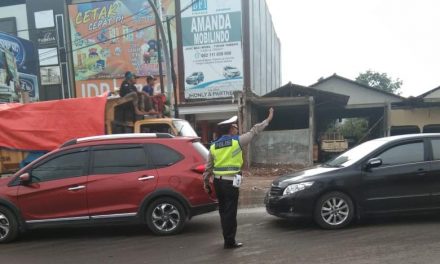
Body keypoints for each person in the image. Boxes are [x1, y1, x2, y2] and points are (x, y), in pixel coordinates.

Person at [203, 108, 274, 249]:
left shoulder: (213, 145)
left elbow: (208, 168)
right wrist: (268, 119)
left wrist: (205, 183)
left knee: (223, 211)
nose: (237, 129)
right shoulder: (237, 141)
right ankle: (229, 242)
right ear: (230, 129)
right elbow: (254, 131)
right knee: (230, 212)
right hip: (230, 184)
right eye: (235, 127)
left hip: (218, 182)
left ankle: (227, 238)